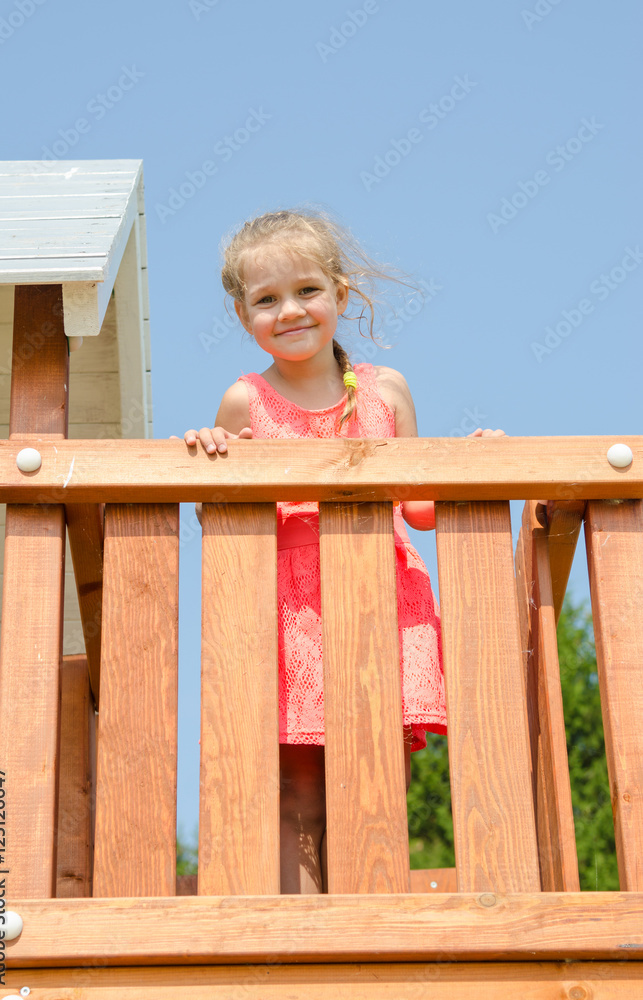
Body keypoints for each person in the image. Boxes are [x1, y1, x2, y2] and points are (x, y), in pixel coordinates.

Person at [181, 209, 504, 894]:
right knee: (298, 791)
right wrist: (210, 450)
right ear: (242, 316)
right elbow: (225, 513)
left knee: (374, 779)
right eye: (265, 300)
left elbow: (418, 507)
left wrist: (467, 465)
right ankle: (303, 932)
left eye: (305, 291)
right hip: (291, 610)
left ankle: (370, 920)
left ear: (340, 295)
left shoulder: (386, 390)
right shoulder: (246, 401)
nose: (289, 310)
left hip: (382, 605)